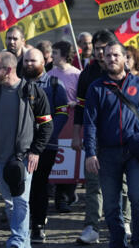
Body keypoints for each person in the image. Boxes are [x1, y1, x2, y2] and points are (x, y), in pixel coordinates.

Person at [84, 42, 139, 248]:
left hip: (135, 151)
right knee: (112, 205)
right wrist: (90, 153)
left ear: (125, 58)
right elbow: (90, 124)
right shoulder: (96, 88)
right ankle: (118, 241)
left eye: (116, 55)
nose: (111, 59)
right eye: (107, 56)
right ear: (103, 59)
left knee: (138, 198)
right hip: (107, 153)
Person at [0, 51, 52, 248]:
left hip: (22, 159)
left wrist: (36, 151)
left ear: (8, 70)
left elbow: (47, 125)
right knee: (10, 203)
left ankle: (18, 241)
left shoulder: (32, 92)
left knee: (21, 201)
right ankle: (23, 240)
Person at [72, 30, 122, 245]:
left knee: (123, 184)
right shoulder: (87, 73)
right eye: (98, 48)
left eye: (105, 48)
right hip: (94, 139)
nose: (101, 52)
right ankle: (92, 226)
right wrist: (76, 134)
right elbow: (80, 108)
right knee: (93, 184)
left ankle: (123, 223)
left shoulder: (122, 72)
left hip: (121, 139)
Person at [23, 48, 69, 243]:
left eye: (33, 61)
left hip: (46, 147)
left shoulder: (55, 85)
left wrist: (47, 135)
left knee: (39, 186)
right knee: (22, 187)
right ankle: (23, 224)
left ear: (44, 62)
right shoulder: (18, 84)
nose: (29, 64)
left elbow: (62, 114)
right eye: (26, 61)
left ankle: (38, 225)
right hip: (22, 146)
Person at [48, 40, 80, 212]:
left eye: (54, 52)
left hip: (72, 124)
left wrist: (74, 103)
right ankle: (55, 196)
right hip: (55, 123)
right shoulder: (49, 74)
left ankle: (66, 197)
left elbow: (82, 99)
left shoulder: (77, 74)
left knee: (70, 160)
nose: (51, 55)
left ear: (63, 54)